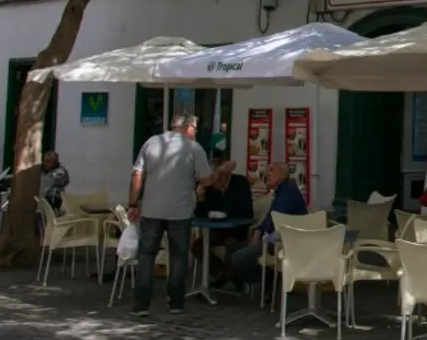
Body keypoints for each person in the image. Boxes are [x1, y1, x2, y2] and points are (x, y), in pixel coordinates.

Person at [128, 114, 216, 318]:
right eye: (194, 127)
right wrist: (217, 173)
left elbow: (137, 174)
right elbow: (207, 180)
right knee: (178, 257)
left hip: (151, 210)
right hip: (179, 212)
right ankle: (176, 302)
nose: (195, 131)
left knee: (146, 256)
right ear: (187, 127)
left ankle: (141, 304)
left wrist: (133, 203)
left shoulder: (151, 142)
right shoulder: (194, 148)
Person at [228, 163, 308, 290]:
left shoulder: (287, 192)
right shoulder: (281, 191)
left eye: (271, 170)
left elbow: (277, 220)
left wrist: (260, 233)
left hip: (284, 243)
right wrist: (259, 230)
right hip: (275, 239)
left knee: (239, 258)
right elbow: (270, 218)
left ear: (282, 175)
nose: (267, 173)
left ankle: (271, 279)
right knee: (233, 247)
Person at [195, 157, 254, 287]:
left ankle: (228, 277)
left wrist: (227, 216)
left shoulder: (240, 183)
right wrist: (200, 198)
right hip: (216, 230)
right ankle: (224, 274)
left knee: (231, 245)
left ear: (226, 175)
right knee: (197, 246)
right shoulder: (210, 188)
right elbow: (201, 215)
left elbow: (246, 211)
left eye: (217, 178)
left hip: (237, 230)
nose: (214, 183)